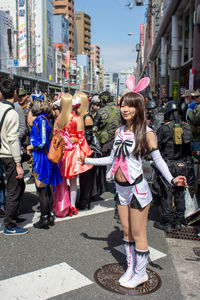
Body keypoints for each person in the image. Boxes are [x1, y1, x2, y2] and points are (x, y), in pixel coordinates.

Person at [79, 76, 187, 289]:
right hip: (121, 190)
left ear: (139, 107)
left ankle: (141, 272)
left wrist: (172, 178)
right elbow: (112, 160)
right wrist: (87, 159)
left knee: (138, 233)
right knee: (127, 232)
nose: (125, 109)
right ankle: (131, 267)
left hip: (137, 190)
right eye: (123, 105)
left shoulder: (147, 133)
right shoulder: (120, 131)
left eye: (130, 105)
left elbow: (158, 160)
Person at [154, 100, 192, 232]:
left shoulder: (164, 128)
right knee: (180, 193)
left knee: (167, 193)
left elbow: (156, 147)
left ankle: (167, 222)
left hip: (168, 164)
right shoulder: (186, 127)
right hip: (182, 164)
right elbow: (189, 148)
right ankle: (178, 221)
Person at [54, 93, 93, 216]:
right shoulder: (77, 118)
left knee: (62, 181)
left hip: (61, 153)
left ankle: (62, 205)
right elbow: (81, 137)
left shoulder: (59, 119)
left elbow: (56, 135)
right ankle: (72, 206)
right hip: (73, 153)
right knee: (73, 183)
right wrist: (74, 139)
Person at [26, 96, 62, 229]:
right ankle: (49, 215)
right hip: (44, 156)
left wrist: (31, 146)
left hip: (42, 157)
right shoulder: (44, 119)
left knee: (42, 189)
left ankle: (44, 218)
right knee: (46, 188)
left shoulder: (40, 120)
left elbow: (41, 141)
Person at [0, 79, 27, 235]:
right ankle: (9, 225)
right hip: (9, 154)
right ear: (15, 92)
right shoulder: (12, 113)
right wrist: (18, 163)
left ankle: (13, 215)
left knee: (16, 186)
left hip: (1, 152)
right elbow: (13, 139)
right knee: (14, 189)